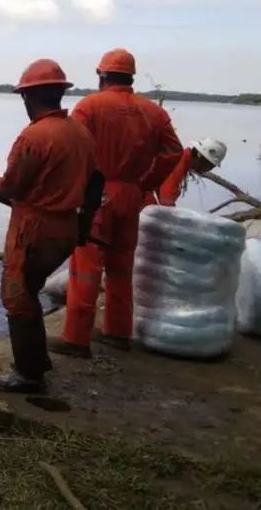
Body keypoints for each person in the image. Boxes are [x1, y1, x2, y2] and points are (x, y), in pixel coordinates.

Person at [0, 59, 100, 394]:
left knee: (18, 298)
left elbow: (12, 186)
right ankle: (36, 361)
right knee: (32, 291)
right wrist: (83, 225)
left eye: (24, 97)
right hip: (67, 227)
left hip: (34, 230)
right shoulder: (79, 131)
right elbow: (96, 182)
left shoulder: (34, 136)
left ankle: (28, 375)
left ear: (30, 97)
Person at [50, 48, 183, 358]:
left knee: (85, 266)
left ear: (102, 76)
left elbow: (71, 147)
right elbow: (173, 153)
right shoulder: (154, 112)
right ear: (131, 77)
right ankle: (118, 332)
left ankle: (76, 339)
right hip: (132, 196)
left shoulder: (90, 106)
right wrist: (147, 181)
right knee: (122, 267)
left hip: (97, 195)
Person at [142, 137, 226, 207]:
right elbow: (166, 198)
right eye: (210, 165)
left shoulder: (180, 158)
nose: (209, 170)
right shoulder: (178, 162)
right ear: (200, 156)